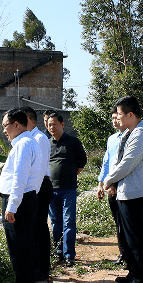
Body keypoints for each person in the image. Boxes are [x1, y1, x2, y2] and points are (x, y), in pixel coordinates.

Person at [103, 96, 143, 283]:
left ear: (131, 114)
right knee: (126, 236)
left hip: (135, 195)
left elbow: (127, 163)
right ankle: (134, 272)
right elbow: (117, 160)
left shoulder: (141, 134)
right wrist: (114, 183)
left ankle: (142, 281)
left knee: (137, 240)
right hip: (124, 193)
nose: (118, 117)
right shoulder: (128, 133)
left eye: (121, 114)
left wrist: (109, 180)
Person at [0, 108, 43, 283]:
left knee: (20, 249)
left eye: (5, 126)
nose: (4, 131)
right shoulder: (26, 143)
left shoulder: (24, 144)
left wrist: (12, 206)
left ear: (17, 124)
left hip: (20, 201)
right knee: (23, 247)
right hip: (24, 199)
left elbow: (20, 179)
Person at [47, 113, 87, 266]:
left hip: (68, 189)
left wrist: (72, 173)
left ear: (62, 125)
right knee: (55, 222)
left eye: (54, 124)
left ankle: (69, 254)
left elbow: (82, 160)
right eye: (49, 124)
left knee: (69, 222)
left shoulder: (73, 142)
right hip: (52, 189)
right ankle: (58, 251)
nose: (51, 127)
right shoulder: (47, 143)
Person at [21, 106, 53, 282]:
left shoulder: (39, 138)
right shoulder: (29, 138)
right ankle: (35, 264)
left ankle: (42, 267)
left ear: (28, 120)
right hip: (35, 185)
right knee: (33, 228)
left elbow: (38, 169)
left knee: (39, 227)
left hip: (40, 185)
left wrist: (32, 192)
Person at [97, 108, 127, 265]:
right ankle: (123, 253)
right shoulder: (112, 139)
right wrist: (101, 183)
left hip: (125, 187)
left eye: (118, 117)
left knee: (127, 223)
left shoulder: (131, 136)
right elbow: (106, 162)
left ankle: (131, 256)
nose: (115, 121)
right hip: (111, 187)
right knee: (118, 222)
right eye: (113, 118)